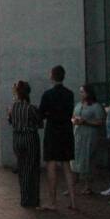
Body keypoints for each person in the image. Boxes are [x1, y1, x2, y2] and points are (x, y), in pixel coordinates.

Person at [37, 65, 78, 210]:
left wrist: (48, 115)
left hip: (53, 131)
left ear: (52, 76)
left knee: (52, 165)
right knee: (67, 165)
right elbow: (69, 112)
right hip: (66, 131)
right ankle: (73, 200)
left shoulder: (48, 94)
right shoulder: (70, 94)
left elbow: (41, 114)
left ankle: (53, 201)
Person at [8, 80, 41, 207]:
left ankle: (24, 197)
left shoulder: (14, 107)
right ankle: (32, 198)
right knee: (31, 167)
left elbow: (10, 120)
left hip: (17, 138)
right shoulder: (31, 108)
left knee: (22, 168)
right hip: (30, 138)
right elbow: (39, 122)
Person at [71, 84, 105, 195]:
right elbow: (72, 116)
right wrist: (74, 121)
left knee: (88, 160)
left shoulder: (96, 106)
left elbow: (100, 121)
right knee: (75, 159)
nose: (81, 94)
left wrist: (85, 122)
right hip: (78, 134)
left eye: (83, 92)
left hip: (89, 135)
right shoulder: (79, 105)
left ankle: (88, 185)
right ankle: (73, 184)